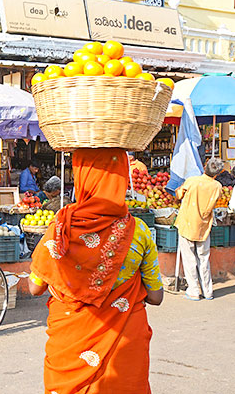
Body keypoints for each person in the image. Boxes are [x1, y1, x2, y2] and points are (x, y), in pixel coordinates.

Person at [28, 148, 163, 394]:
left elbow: (35, 286)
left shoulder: (60, 228)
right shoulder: (139, 231)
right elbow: (156, 297)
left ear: (81, 178)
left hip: (69, 344)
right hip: (124, 341)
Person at [174, 158, 223, 301]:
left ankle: (194, 290)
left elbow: (178, 195)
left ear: (204, 167)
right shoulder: (217, 186)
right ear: (217, 174)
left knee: (189, 259)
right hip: (204, 226)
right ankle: (208, 291)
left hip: (188, 223)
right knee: (203, 259)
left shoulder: (192, 181)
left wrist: (178, 191)